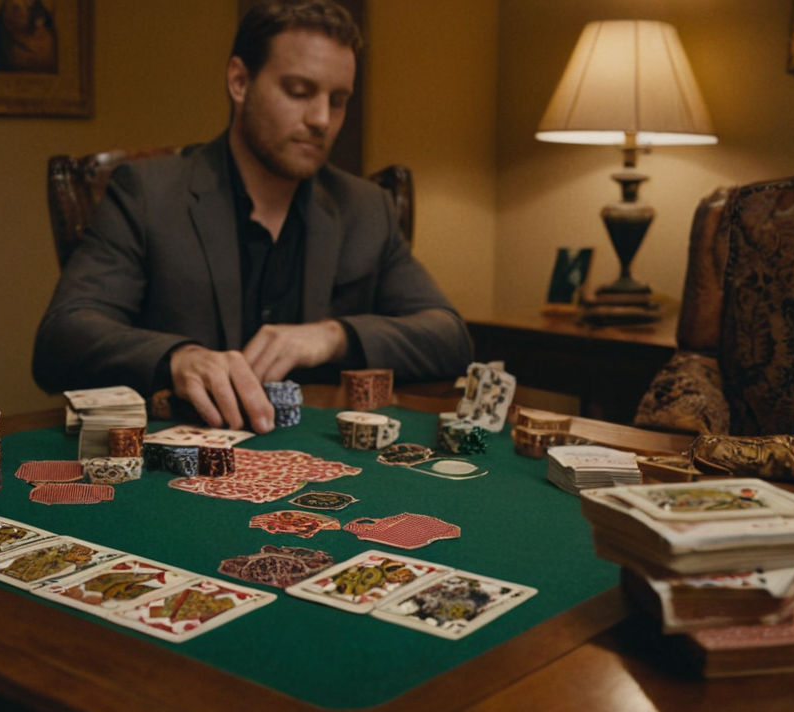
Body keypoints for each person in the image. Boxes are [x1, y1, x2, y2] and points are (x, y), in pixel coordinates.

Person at [32, 0, 472, 433]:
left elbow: (450, 339)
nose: (321, 119)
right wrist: (178, 358)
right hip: (178, 472)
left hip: (327, 468)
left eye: (338, 101)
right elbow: (61, 341)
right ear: (240, 82)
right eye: (299, 92)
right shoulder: (147, 194)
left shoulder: (366, 206)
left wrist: (332, 336)